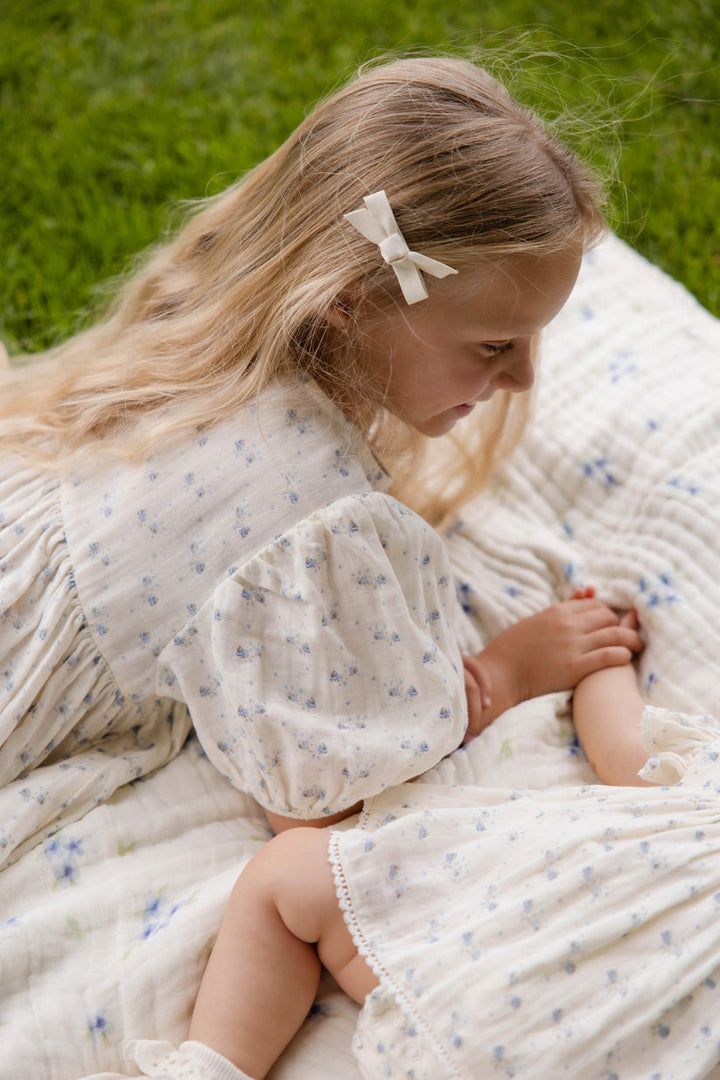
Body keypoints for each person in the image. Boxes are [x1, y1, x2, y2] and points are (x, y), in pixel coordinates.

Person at [0, 55, 640, 872]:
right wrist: (501, 673)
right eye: (493, 346)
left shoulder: (223, 343)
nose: (522, 378)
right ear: (344, 299)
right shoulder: (307, 511)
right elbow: (314, 799)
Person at [103, 620, 720, 1080]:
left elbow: (627, 750)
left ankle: (213, 1068)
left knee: (289, 878)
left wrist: (604, 657)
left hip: (490, 985)